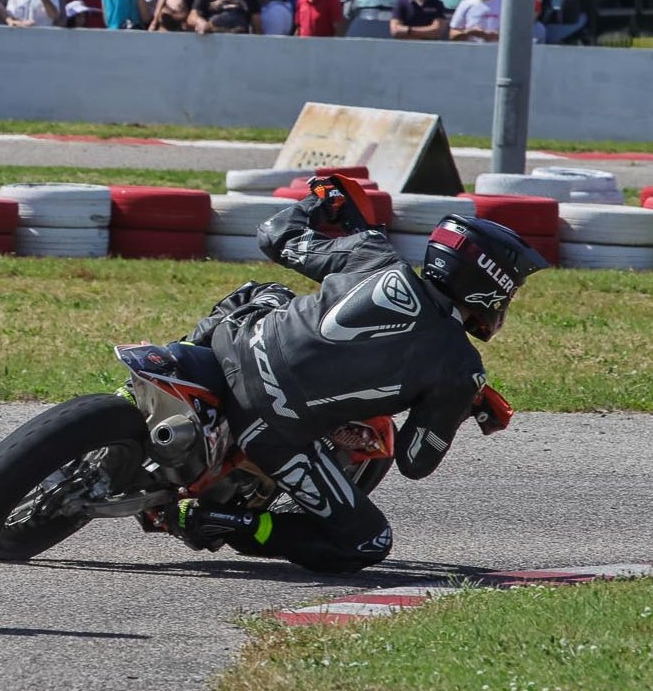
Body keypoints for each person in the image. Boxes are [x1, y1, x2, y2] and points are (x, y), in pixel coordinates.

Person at [151, 175, 545, 573]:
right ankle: (215, 519)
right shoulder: (461, 369)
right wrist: (457, 410)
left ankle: (163, 369)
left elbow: (275, 235)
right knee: (369, 541)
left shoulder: (373, 253)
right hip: (269, 427)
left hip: (234, 346)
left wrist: (319, 206)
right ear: (492, 286)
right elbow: (414, 461)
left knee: (266, 293)